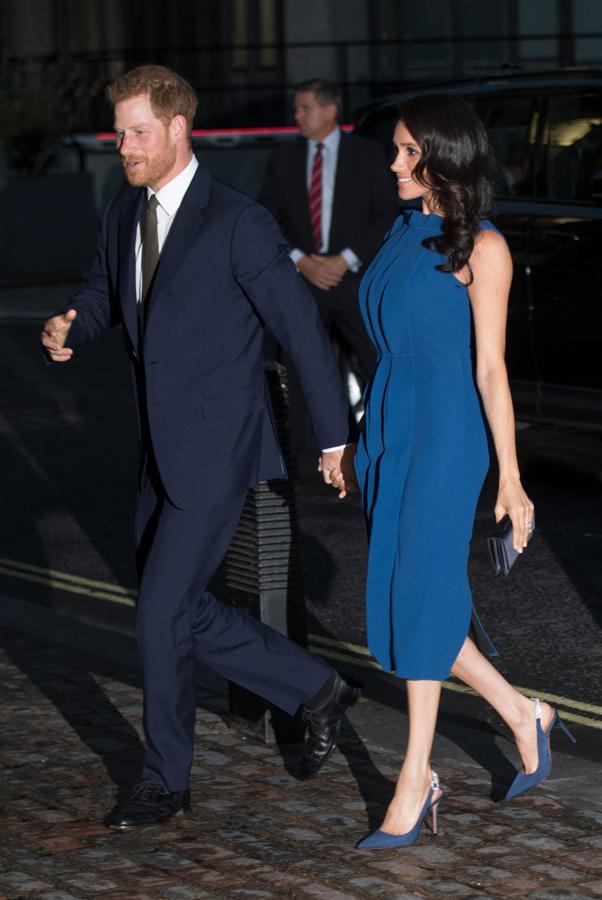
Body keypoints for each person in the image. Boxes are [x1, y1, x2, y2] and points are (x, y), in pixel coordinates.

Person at [41, 65, 361, 831]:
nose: (123, 146)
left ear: (180, 128)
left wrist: (333, 436)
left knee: (160, 612)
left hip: (220, 449)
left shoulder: (237, 222)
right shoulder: (123, 212)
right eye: (118, 133)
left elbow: (299, 332)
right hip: (156, 448)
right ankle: (315, 690)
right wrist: (71, 328)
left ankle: (164, 782)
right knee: (177, 613)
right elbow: (103, 295)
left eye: (137, 133)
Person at [348, 95, 575, 850]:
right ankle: (522, 714)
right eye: (397, 150)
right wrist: (356, 438)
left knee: (417, 596)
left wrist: (511, 478)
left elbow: (490, 370)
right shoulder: (398, 231)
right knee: (420, 596)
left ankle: (416, 776)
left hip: (447, 436)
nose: (395, 162)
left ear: (445, 156)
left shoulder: (484, 247)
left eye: (410, 151)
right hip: (387, 423)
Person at [259, 79, 399, 466]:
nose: (297, 115)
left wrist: (344, 260)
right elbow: (266, 219)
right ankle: (297, 460)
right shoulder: (283, 159)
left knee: (378, 363)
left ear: (330, 110)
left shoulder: (369, 155)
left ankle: (384, 449)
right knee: (297, 370)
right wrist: (301, 259)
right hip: (302, 282)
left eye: (305, 108)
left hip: (355, 281)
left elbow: (386, 215)